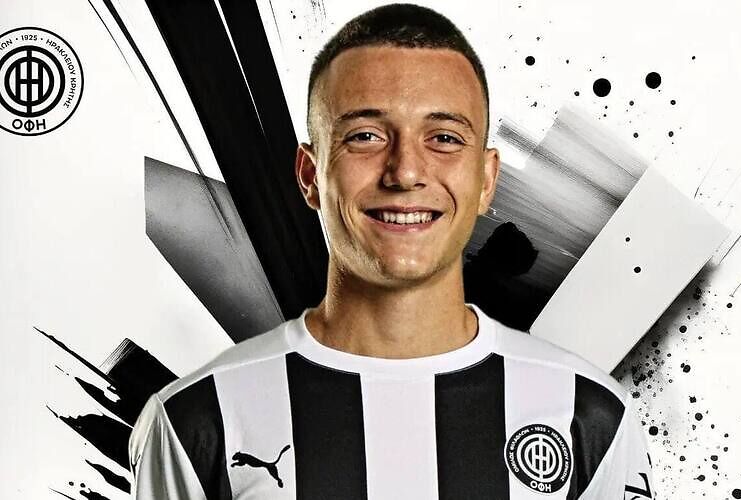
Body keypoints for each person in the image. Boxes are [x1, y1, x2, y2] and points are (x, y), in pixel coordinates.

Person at [128, 3, 654, 499]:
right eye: (365, 136)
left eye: (444, 138)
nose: (404, 172)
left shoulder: (590, 415)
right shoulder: (194, 422)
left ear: (486, 179)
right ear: (309, 175)